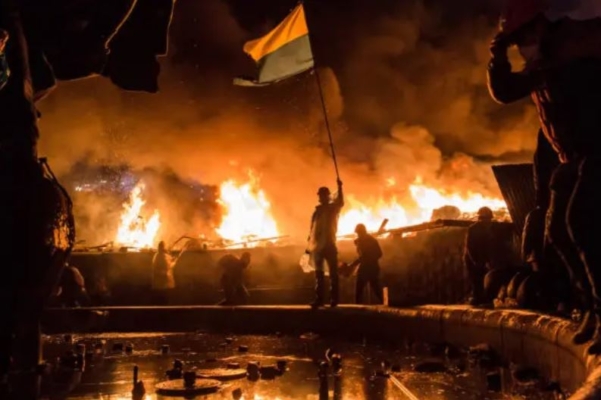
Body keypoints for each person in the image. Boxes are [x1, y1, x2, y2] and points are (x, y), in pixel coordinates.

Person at [487, 0, 601, 353]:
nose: (521, 43)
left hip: (596, 150)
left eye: (524, 34)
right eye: (516, 38)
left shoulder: (574, 49)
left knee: (579, 223)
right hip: (573, 157)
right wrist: (498, 56)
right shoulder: (543, 64)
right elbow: (506, 91)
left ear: (541, 26)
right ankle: (592, 310)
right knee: (558, 234)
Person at [306, 180, 344, 308]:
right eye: (320, 195)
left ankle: (334, 300)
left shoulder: (333, 209)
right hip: (318, 247)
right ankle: (319, 299)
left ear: (327, 196)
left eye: (322, 195)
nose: (321, 197)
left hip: (329, 245)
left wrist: (340, 187)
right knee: (319, 274)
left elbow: (340, 202)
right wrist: (309, 247)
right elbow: (312, 231)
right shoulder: (317, 212)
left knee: (333, 274)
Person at [463, 207, 498, 306]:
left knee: (482, 278)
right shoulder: (473, 229)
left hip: (482, 259)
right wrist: (475, 261)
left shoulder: (487, 230)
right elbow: (470, 247)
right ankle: (476, 299)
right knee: (476, 279)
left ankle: (481, 298)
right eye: (487, 219)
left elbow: (489, 246)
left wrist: (488, 260)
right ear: (481, 219)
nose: (489, 221)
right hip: (473, 259)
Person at [350, 224, 383, 304]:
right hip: (371, 267)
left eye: (358, 233)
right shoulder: (369, 240)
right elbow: (379, 254)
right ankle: (385, 302)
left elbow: (363, 257)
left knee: (360, 289)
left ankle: (357, 307)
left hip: (368, 268)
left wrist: (352, 265)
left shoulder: (367, 241)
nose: (358, 235)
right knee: (373, 288)